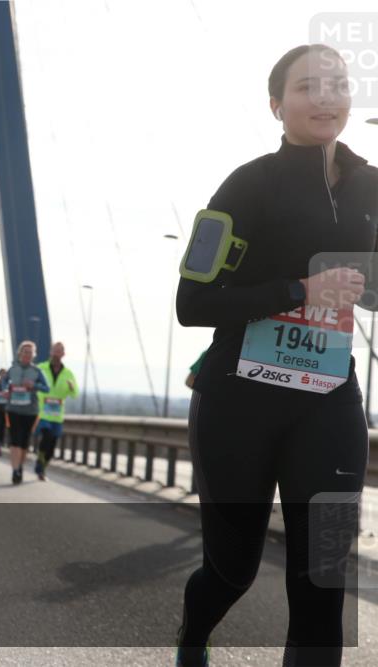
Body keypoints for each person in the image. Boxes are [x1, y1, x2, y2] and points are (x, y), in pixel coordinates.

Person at [174, 45, 375, 667]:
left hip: (328, 399)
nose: (324, 97)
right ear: (276, 105)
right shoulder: (247, 184)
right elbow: (192, 302)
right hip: (240, 397)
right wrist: (300, 290)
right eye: (306, 87)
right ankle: (194, 633)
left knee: (323, 576)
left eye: (337, 85)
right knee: (231, 570)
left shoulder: (373, 187)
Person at [2, 341, 49, 484]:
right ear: (20, 354)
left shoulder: (37, 371)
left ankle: (20, 466)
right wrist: (6, 390)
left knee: (24, 443)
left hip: (30, 412)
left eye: (30, 352)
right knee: (14, 441)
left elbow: (46, 388)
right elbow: (4, 382)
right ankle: (15, 470)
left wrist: (34, 385)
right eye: (25, 352)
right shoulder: (13, 369)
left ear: (34, 355)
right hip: (13, 410)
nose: (27, 355)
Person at [34, 341, 78, 481]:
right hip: (43, 412)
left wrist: (71, 388)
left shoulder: (68, 373)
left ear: (63, 354)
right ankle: (40, 464)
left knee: (52, 447)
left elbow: (75, 394)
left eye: (60, 351)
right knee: (46, 436)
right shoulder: (40, 368)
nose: (57, 353)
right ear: (50, 352)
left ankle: (43, 467)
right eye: (55, 350)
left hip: (57, 415)